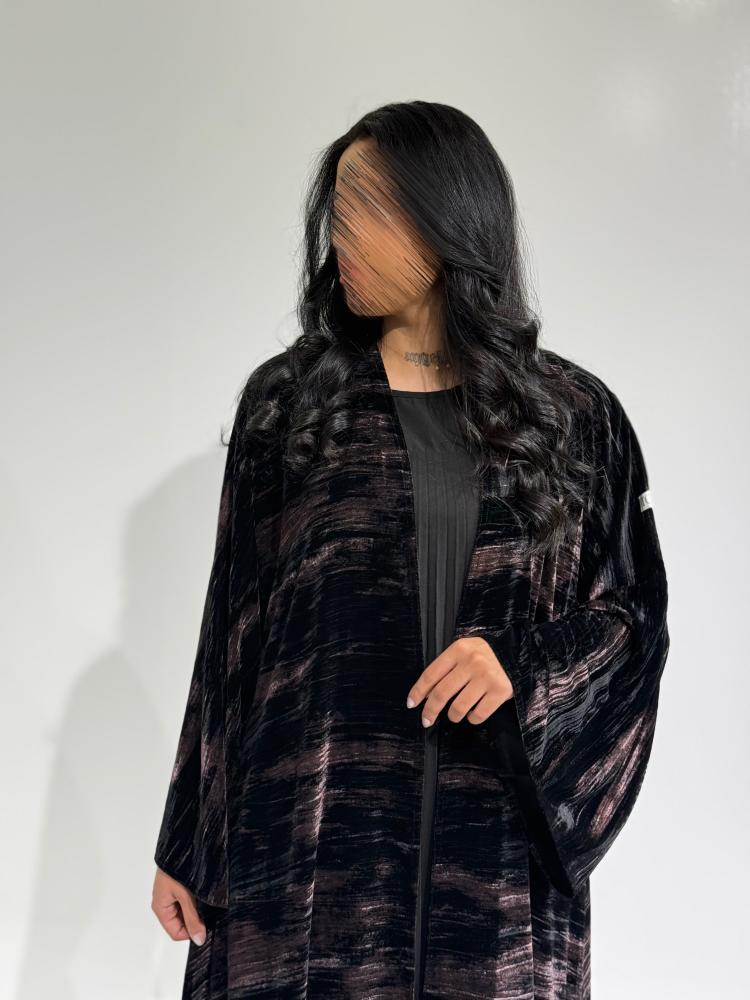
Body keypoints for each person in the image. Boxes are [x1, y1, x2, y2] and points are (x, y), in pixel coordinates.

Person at [150, 101, 670, 1000]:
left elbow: (635, 621)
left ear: (447, 218)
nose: (340, 233)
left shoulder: (571, 419)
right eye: (336, 207)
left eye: (369, 206)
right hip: (312, 857)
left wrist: (521, 667)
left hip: (491, 867)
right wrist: (188, 838)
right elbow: (231, 635)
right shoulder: (292, 405)